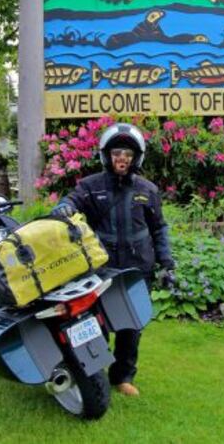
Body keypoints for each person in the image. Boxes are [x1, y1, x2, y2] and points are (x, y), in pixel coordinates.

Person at [51, 123, 175, 397]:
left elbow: (159, 228)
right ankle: (95, 375)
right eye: (117, 152)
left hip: (136, 270)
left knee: (131, 326)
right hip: (101, 269)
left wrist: (167, 263)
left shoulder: (148, 189)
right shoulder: (90, 186)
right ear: (107, 155)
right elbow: (70, 200)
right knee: (96, 324)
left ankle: (123, 377)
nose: (122, 158)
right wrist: (64, 207)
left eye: (128, 154)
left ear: (136, 157)